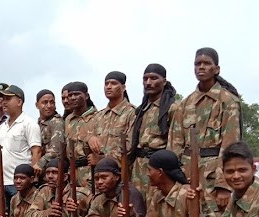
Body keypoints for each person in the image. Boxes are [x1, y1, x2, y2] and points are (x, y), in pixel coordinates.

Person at [169, 47, 242, 206]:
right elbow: (174, 145)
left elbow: (231, 145)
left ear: (216, 69)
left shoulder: (228, 102)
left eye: (206, 63)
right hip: (186, 176)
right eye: (197, 64)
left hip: (212, 176)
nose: (201, 67)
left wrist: (223, 185)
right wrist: (175, 178)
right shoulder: (184, 104)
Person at [129, 64, 178, 200]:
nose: (148, 83)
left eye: (154, 78)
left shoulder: (172, 108)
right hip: (138, 168)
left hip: (159, 168)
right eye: (145, 79)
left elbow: (176, 143)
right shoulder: (140, 111)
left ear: (164, 81)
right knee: (136, 207)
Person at [0, 85, 42, 207]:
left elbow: (36, 151)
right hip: (2, 183)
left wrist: (33, 180)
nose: (4, 102)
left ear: (19, 102)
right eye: (3, 99)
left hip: (21, 183)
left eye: (8, 99)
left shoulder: (29, 124)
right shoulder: (2, 127)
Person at [88, 71, 136, 177]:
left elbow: (130, 147)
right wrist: (90, 138)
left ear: (123, 88)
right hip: (100, 176)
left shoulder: (132, 113)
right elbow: (86, 145)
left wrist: (104, 159)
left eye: (113, 83)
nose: (108, 87)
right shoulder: (99, 116)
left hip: (121, 174)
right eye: (106, 84)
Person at [63, 81, 98, 189]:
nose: (73, 98)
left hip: (90, 171)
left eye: (77, 94)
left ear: (86, 96)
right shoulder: (68, 120)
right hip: (73, 172)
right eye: (70, 95)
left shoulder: (97, 117)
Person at [35, 89, 64, 178]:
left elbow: (56, 150)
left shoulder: (56, 122)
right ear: (37, 105)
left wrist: (39, 164)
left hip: (52, 172)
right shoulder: (37, 124)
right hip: (40, 173)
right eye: (45, 102)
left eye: (52, 102)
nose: (49, 106)